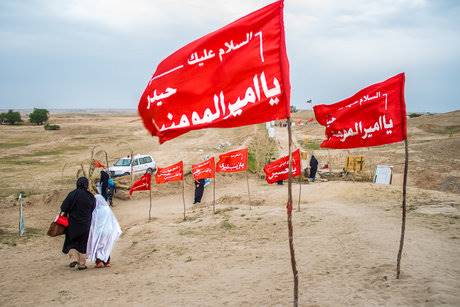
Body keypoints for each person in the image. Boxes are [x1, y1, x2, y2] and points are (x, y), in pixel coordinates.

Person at [61, 177, 95, 270]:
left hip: (72, 224)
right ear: (86, 184)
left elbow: (63, 207)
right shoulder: (90, 196)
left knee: (71, 242)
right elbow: (93, 208)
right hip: (85, 224)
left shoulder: (72, 194)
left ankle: (73, 259)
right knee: (83, 244)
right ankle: (82, 264)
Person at [87, 194, 122, 268]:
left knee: (98, 246)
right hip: (108, 230)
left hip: (99, 231)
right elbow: (112, 220)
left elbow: (93, 221)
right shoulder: (107, 208)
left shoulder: (95, 210)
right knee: (106, 246)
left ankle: (99, 262)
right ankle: (107, 262)